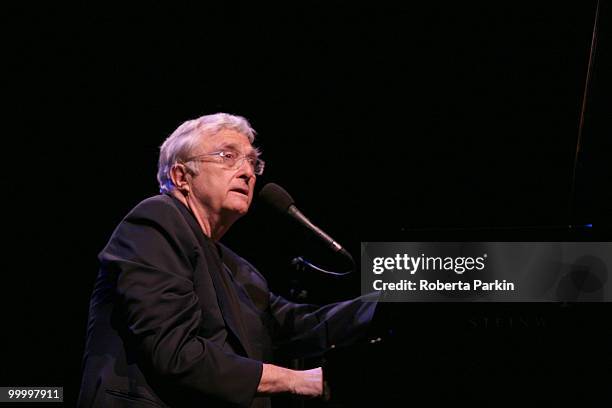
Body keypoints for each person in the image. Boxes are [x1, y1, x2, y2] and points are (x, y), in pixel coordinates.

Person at [78, 113, 377, 407]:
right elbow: (175, 352)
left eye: (252, 161)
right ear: (181, 176)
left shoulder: (237, 268)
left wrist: (398, 293)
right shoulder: (155, 221)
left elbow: (302, 325)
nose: (248, 172)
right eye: (228, 156)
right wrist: (298, 380)